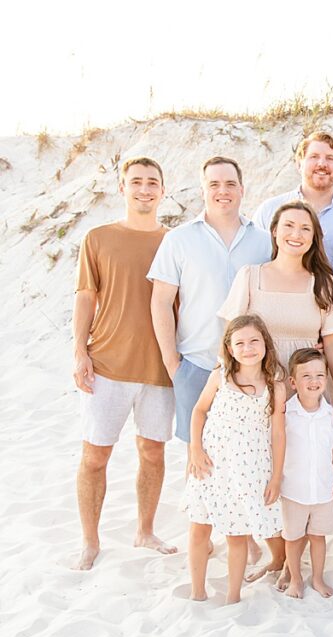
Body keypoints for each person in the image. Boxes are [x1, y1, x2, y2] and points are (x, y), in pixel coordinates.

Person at [218, 199, 333, 581]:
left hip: (308, 386)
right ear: (274, 231)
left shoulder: (323, 283)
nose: (296, 234)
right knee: (265, 467)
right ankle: (278, 554)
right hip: (259, 386)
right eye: (289, 226)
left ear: (314, 237)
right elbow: (229, 336)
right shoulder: (251, 275)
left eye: (305, 229)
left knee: (305, 466)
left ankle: (296, 555)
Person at [72, 157, 176, 570]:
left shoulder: (175, 242)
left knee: (152, 452)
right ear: (122, 188)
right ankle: (90, 541)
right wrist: (79, 351)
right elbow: (85, 296)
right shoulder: (98, 238)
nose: (144, 189)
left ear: (163, 190)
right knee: (95, 456)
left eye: (153, 182)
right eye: (136, 182)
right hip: (107, 366)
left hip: (159, 370)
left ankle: (145, 530)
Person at [149, 156, 272, 446]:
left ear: (242, 189)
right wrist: (172, 363)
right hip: (196, 365)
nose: (223, 191)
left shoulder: (265, 241)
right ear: (203, 189)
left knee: (250, 454)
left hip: (252, 366)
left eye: (230, 184)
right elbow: (161, 302)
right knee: (199, 458)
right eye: (214, 184)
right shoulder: (178, 240)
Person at [253, 130, 333, 412]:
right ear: (299, 163)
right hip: (280, 334)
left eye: (330, 158)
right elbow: (258, 268)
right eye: (314, 156)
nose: (322, 164)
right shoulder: (269, 211)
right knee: (279, 413)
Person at [183, 315, 286, 605]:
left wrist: (276, 476)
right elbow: (199, 411)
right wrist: (195, 449)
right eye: (239, 342)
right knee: (199, 527)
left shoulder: (274, 386)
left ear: (265, 343)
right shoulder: (220, 377)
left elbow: (278, 434)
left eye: (254, 340)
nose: (248, 348)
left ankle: (232, 596)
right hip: (211, 465)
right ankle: (197, 591)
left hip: (248, 469)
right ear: (229, 348)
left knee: (236, 533)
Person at [278, 348, 333, 600]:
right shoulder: (286, 414)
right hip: (293, 491)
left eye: (319, 374)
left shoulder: (330, 413)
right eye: (306, 376)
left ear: (326, 379)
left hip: (323, 490)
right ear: (293, 382)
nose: (314, 381)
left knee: (318, 537)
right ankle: (295, 579)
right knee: (294, 539)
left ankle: (317, 578)